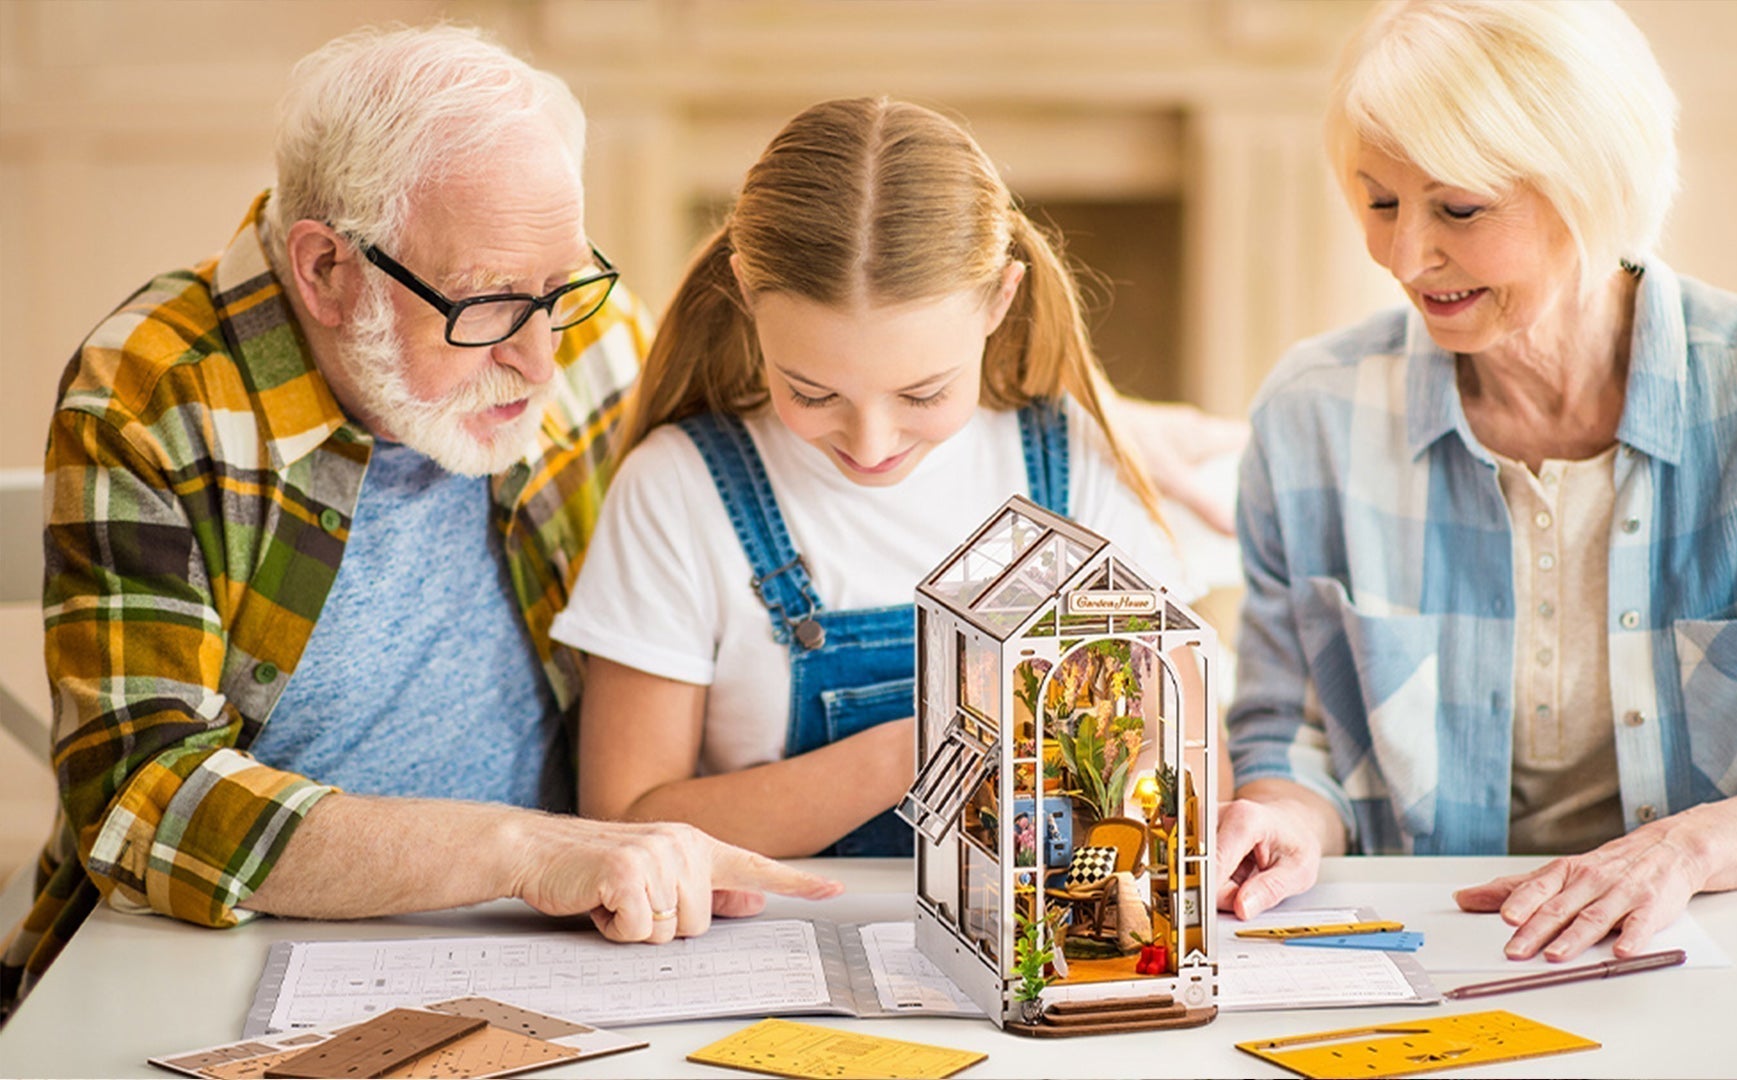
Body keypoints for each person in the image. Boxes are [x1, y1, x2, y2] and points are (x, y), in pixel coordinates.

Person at [0, 25, 845, 1020]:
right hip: (231, 962)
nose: (540, 360)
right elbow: (139, 799)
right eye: (488, 302)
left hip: (566, 953)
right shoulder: (153, 395)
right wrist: (522, 847)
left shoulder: (598, 339)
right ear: (325, 271)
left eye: (561, 286)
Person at [1217, 0, 1737, 963]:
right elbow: (1290, 729)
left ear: (1594, 184)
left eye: (1458, 208)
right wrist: (1281, 816)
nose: (1406, 256)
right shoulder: (1313, 415)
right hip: (1439, 952)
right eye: (1380, 202)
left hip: (1727, 938)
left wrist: (1682, 852)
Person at [554, 97, 1189, 858]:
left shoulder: (1067, 462)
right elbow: (622, 822)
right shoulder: (679, 491)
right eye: (813, 393)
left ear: (1001, 299)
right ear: (748, 295)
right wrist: (913, 753)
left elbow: (1177, 740)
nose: (871, 442)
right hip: (775, 949)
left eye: (923, 393)